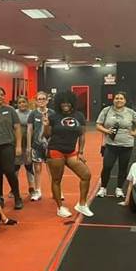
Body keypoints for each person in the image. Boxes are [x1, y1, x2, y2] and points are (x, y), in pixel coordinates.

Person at [44, 90, 92, 218]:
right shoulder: (54, 117)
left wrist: (80, 152)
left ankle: (82, 204)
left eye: (68, 102)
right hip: (55, 150)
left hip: (71, 151)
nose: (65, 105)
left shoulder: (79, 116)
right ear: (59, 103)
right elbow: (47, 135)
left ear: (72, 103)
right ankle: (60, 208)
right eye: (63, 103)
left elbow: (82, 135)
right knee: (56, 180)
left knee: (86, 175)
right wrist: (46, 125)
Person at [95, 92, 136, 198]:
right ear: (113, 100)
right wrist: (107, 131)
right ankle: (103, 188)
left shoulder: (130, 112)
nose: (118, 100)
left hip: (126, 144)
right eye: (116, 98)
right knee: (107, 166)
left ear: (125, 101)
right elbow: (98, 125)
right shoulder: (106, 110)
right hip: (110, 144)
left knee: (123, 167)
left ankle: (119, 189)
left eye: (121, 98)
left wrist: (135, 132)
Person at [27, 91, 54, 201]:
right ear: (36, 101)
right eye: (39, 99)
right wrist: (28, 146)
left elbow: (55, 129)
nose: (41, 101)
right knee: (37, 169)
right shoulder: (33, 114)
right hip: (36, 146)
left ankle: (56, 191)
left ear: (47, 101)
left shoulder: (52, 113)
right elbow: (29, 130)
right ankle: (37, 190)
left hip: (50, 146)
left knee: (51, 169)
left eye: (43, 99)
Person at [14, 96, 36, 198]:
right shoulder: (14, 113)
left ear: (27, 103)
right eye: (19, 102)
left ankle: (31, 188)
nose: (22, 104)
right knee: (15, 167)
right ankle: (14, 188)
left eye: (24, 102)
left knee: (29, 166)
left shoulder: (32, 113)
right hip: (17, 144)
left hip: (29, 143)